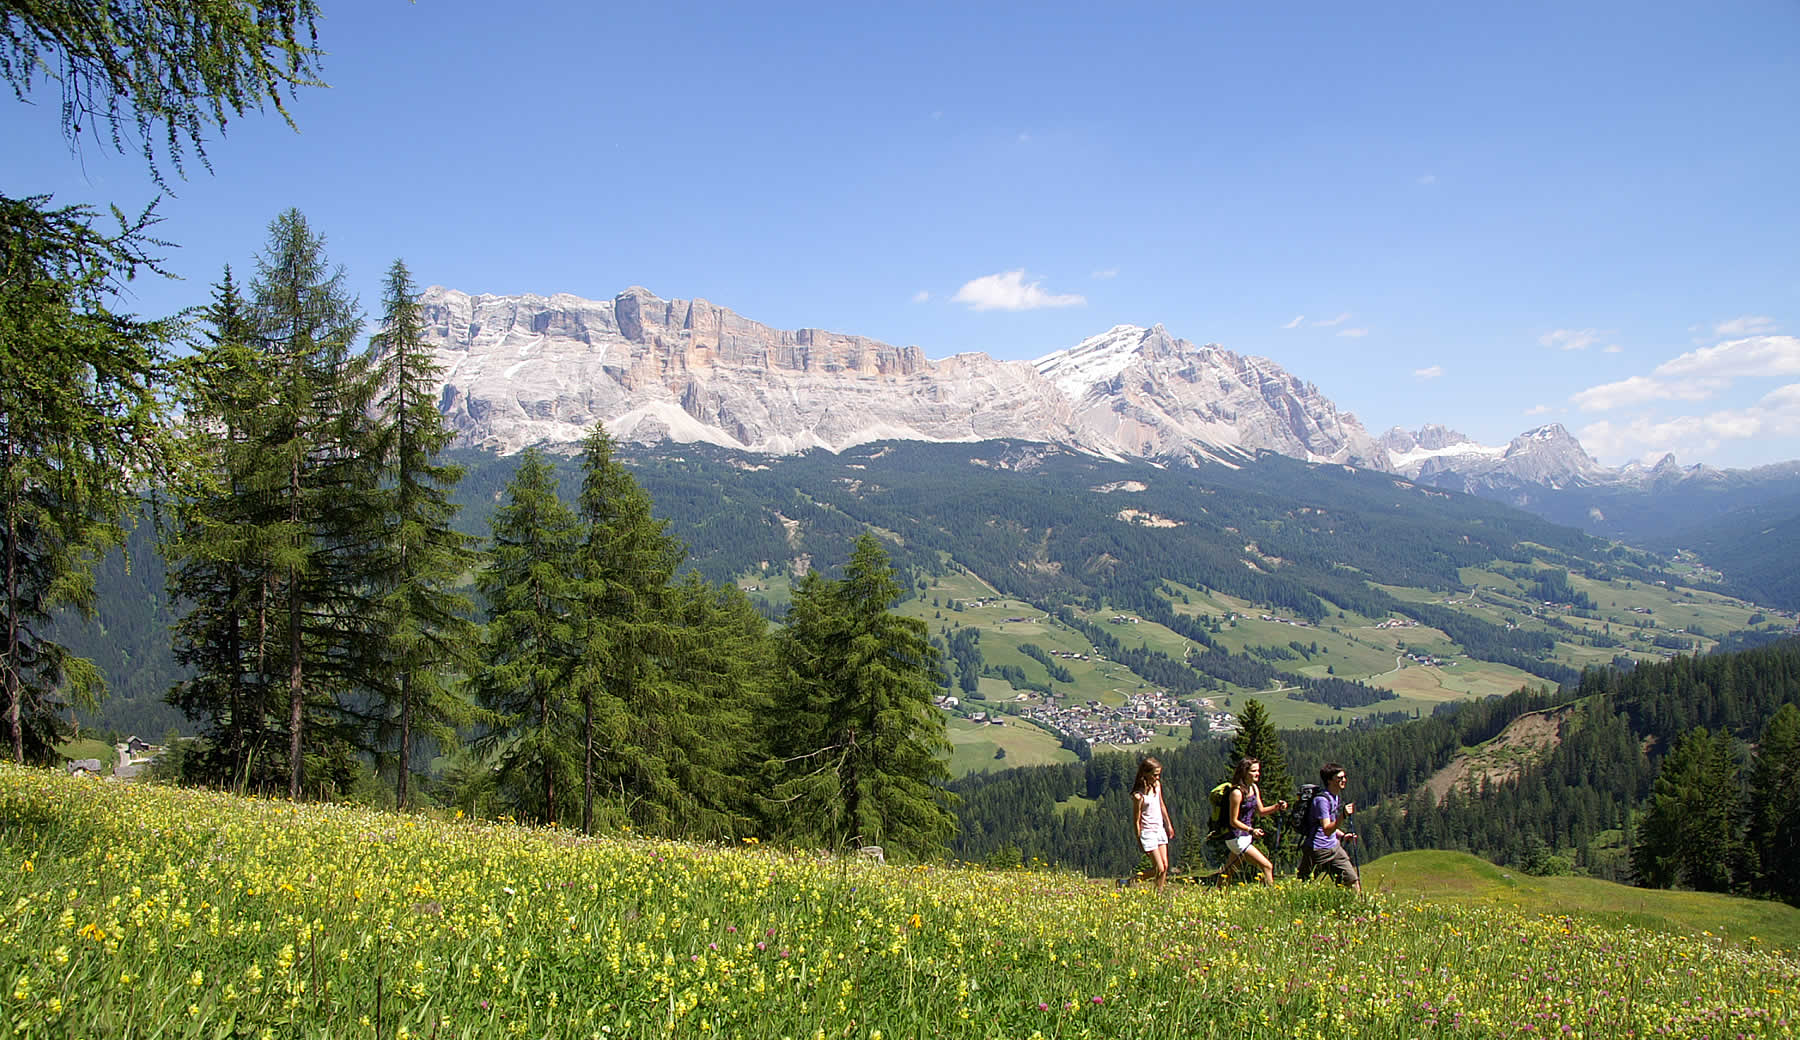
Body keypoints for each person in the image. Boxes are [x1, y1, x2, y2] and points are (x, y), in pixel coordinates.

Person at [1217, 757, 1287, 885]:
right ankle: (1272, 898)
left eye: (1258, 770)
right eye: (1254, 771)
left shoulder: (1253, 788)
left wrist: (1277, 807)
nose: (1257, 774)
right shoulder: (1236, 793)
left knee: (1228, 872)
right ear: (1245, 772)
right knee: (1267, 866)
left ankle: (1218, 895)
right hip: (1236, 837)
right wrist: (1251, 830)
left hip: (1244, 836)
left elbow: (1261, 811)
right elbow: (1233, 821)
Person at [1298, 762, 1361, 893]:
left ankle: (1357, 910)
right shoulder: (1321, 801)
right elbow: (1326, 829)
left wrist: (1342, 835)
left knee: (1352, 880)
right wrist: (1343, 815)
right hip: (1317, 850)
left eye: (1344, 777)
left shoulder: (1334, 796)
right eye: (1340, 778)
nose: (1344, 780)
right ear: (1329, 781)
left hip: (1334, 847)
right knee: (1303, 886)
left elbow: (1329, 826)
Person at [1132, 756, 1173, 892]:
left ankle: (1158, 893)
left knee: (1165, 866)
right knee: (1159, 868)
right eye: (1155, 775)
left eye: (1159, 775)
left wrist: (1168, 824)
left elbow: (1161, 805)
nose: (1157, 778)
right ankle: (1131, 881)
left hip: (1159, 829)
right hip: (1148, 832)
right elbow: (1136, 820)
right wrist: (1139, 840)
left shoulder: (1157, 787)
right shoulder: (1139, 796)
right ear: (1145, 774)